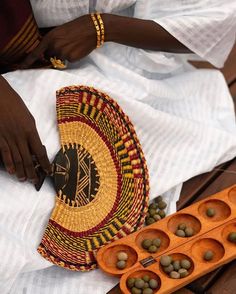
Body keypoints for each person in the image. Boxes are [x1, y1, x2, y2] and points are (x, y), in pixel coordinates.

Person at [0, 1, 236, 293]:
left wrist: (104, 27)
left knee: (29, 203)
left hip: (115, 65)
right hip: (16, 73)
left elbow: (214, 16)